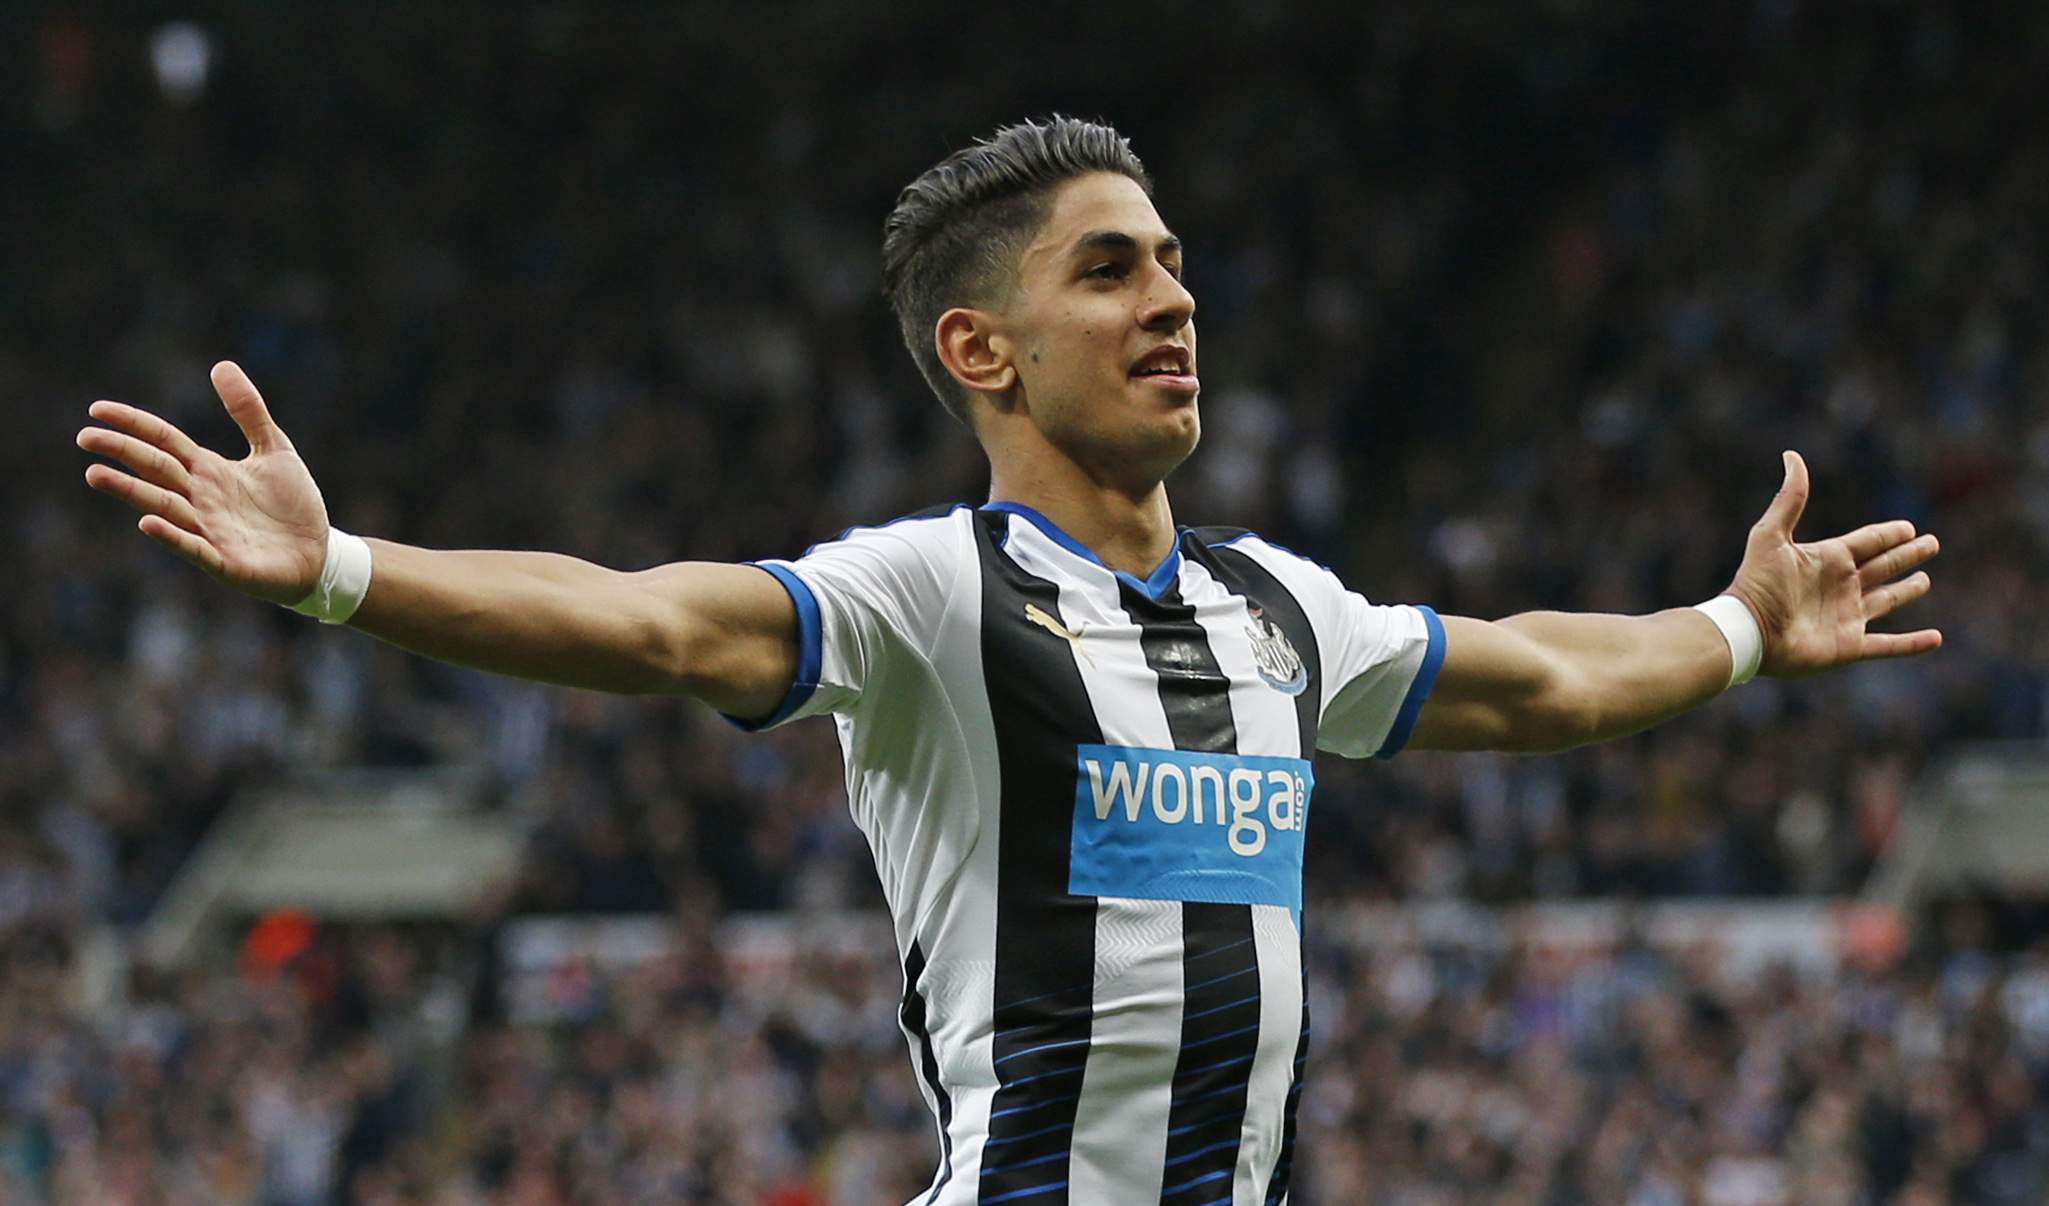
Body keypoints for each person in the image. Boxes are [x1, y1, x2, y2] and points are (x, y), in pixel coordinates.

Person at [76, 117, 1940, 1204]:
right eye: (1113, 272)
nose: (1176, 302)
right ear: (982, 350)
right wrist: (342, 574)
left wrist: (1735, 630)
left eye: (1178, 264)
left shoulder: (1280, 609)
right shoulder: (922, 598)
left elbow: (1537, 680)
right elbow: (648, 622)